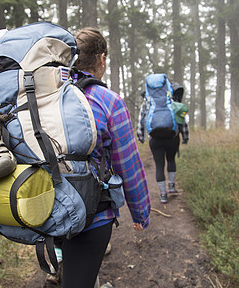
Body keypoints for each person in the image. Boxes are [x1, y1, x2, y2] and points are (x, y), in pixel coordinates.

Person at [53, 27, 150, 288]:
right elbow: (128, 165)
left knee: (80, 270)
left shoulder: (49, 96)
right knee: (78, 276)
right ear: (102, 58)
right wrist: (140, 213)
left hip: (48, 205)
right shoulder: (109, 102)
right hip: (92, 214)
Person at [136, 78, 189, 204]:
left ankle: (163, 195)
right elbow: (183, 120)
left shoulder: (147, 101)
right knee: (171, 160)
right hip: (172, 137)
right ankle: (171, 186)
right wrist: (185, 137)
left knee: (159, 165)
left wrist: (141, 137)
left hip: (155, 139)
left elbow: (141, 119)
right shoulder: (172, 98)